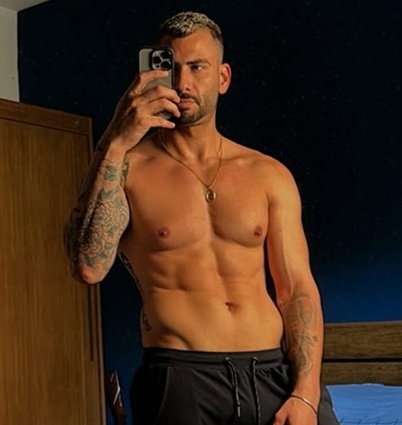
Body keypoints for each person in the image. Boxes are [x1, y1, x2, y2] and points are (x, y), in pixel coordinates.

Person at [63, 11, 339, 425]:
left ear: (222, 78)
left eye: (197, 67)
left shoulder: (267, 174)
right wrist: (117, 139)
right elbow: (88, 265)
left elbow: (297, 289)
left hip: (274, 374)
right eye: (170, 68)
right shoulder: (127, 168)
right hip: (181, 377)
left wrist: (306, 393)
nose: (182, 83)